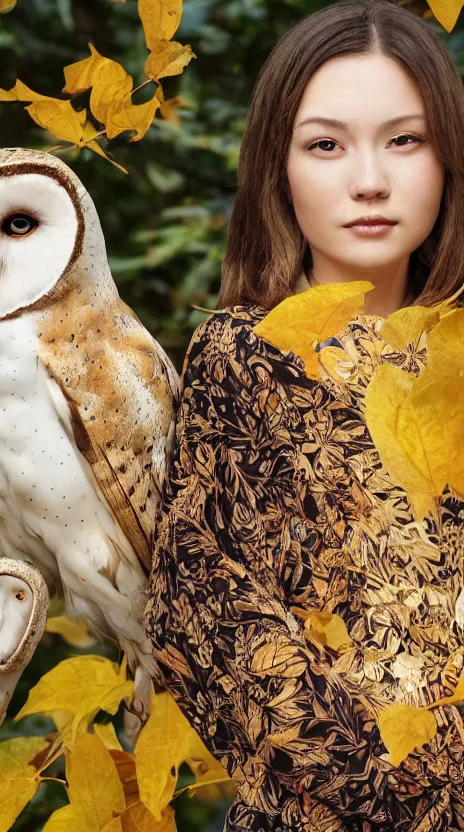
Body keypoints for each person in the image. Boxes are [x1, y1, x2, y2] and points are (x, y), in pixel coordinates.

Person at [145, 1, 464, 830]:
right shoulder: (245, 356)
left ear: (449, 157)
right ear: (277, 167)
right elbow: (202, 603)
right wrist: (395, 795)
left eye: (405, 139)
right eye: (326, 144)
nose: (369, 180)